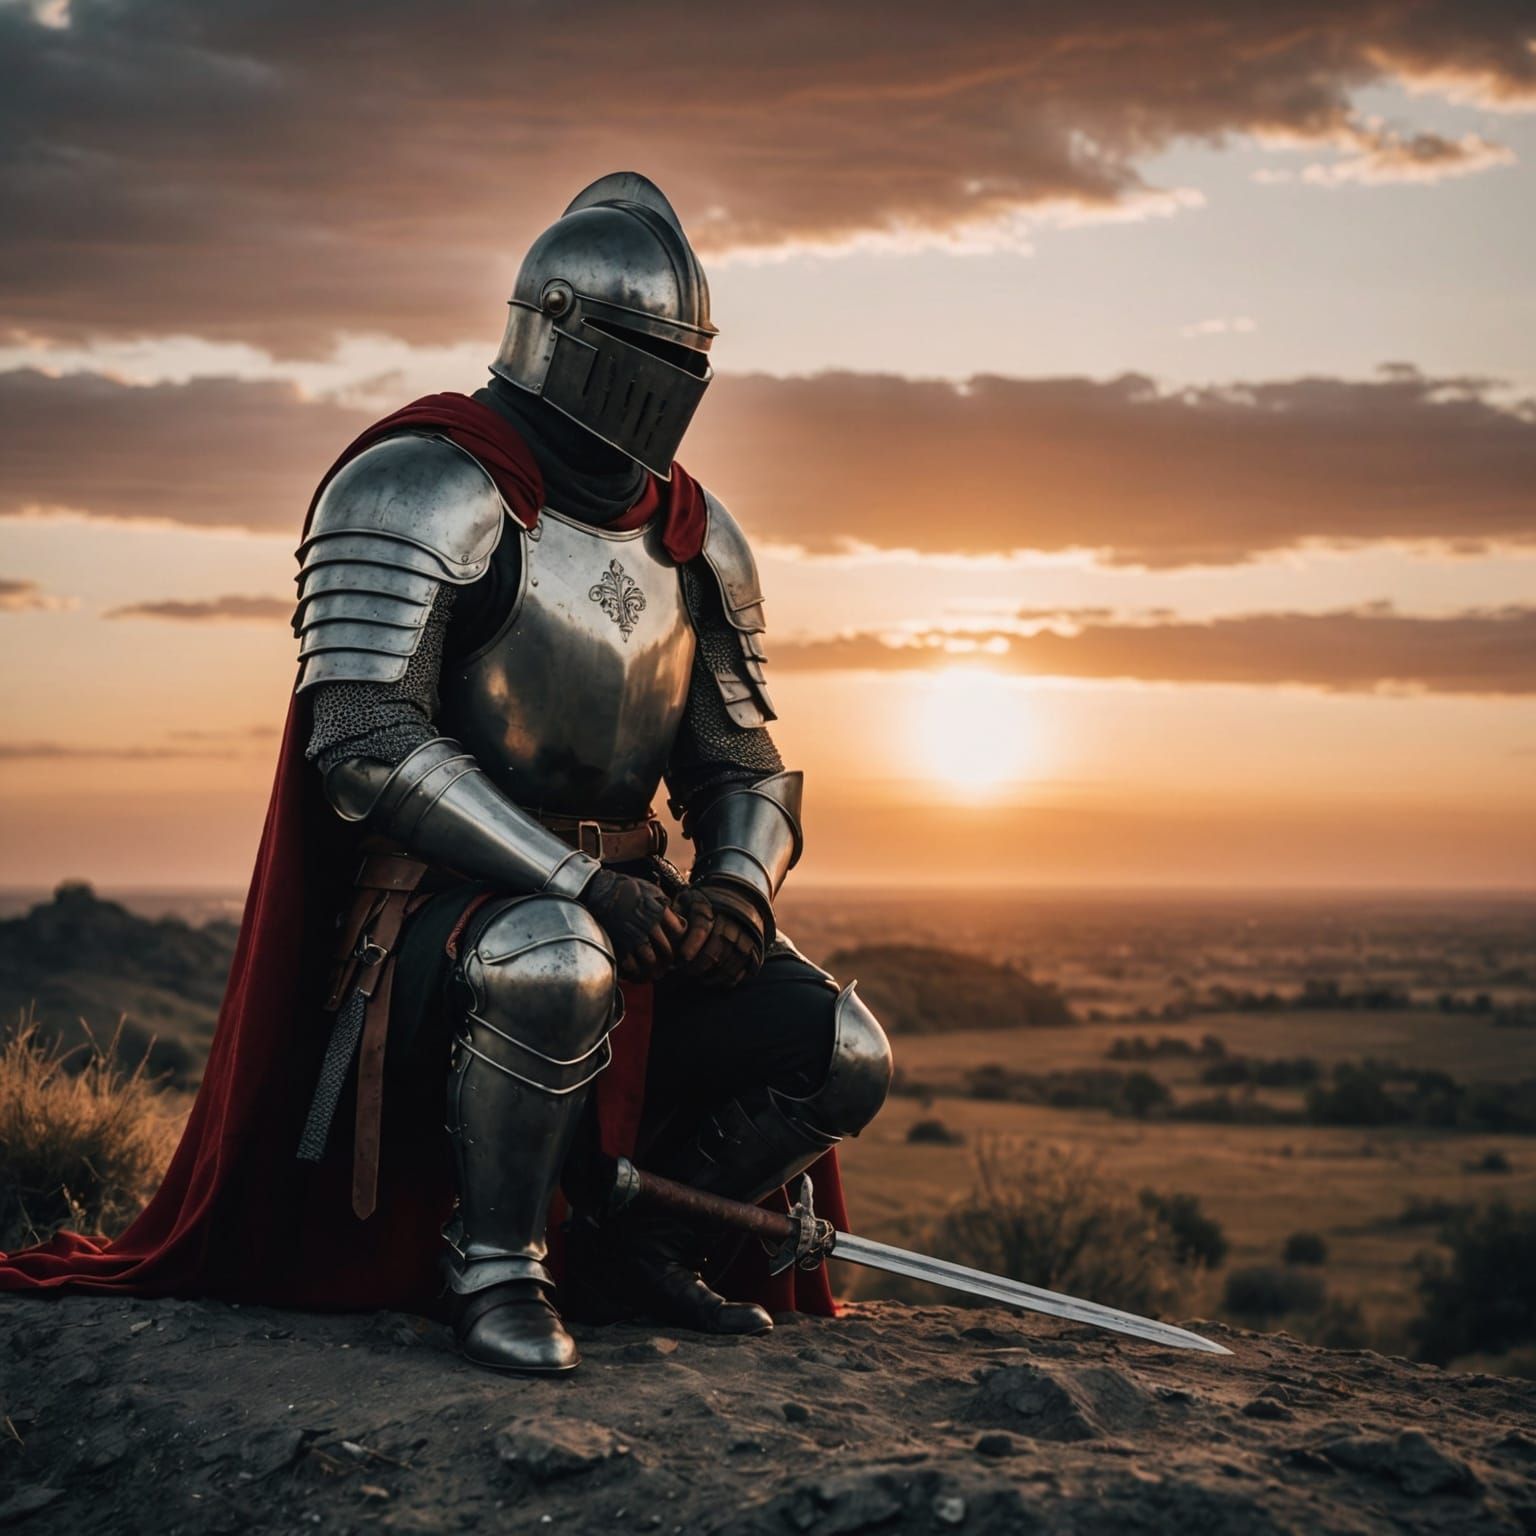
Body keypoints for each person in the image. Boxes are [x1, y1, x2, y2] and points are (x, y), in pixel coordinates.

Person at [289, 172, 893, 1374]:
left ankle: (636, 1245)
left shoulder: (696, 537)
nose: (667, 384)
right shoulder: (422, 486)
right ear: (553, 322)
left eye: (685, 358)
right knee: (554, 961)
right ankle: (497, 1263)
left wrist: (733, 892)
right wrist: (573, 881)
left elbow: (745, 763)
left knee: (840, 1046)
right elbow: (364, 744)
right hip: (444, 914)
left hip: (635, 910)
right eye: (637, 349)